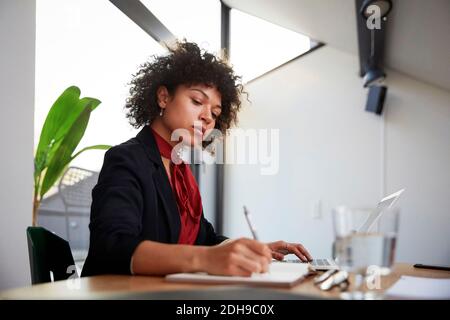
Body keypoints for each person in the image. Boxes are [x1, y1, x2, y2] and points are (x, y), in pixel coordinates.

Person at [81, 41, 312, 277]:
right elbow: (111, 246)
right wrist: (205, 259)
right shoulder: (127, 158)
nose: (208, 118)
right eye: (197, 101)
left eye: (214, 113)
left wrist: (250, 250)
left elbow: (204, 238)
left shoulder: (181, 171)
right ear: (163, 97)